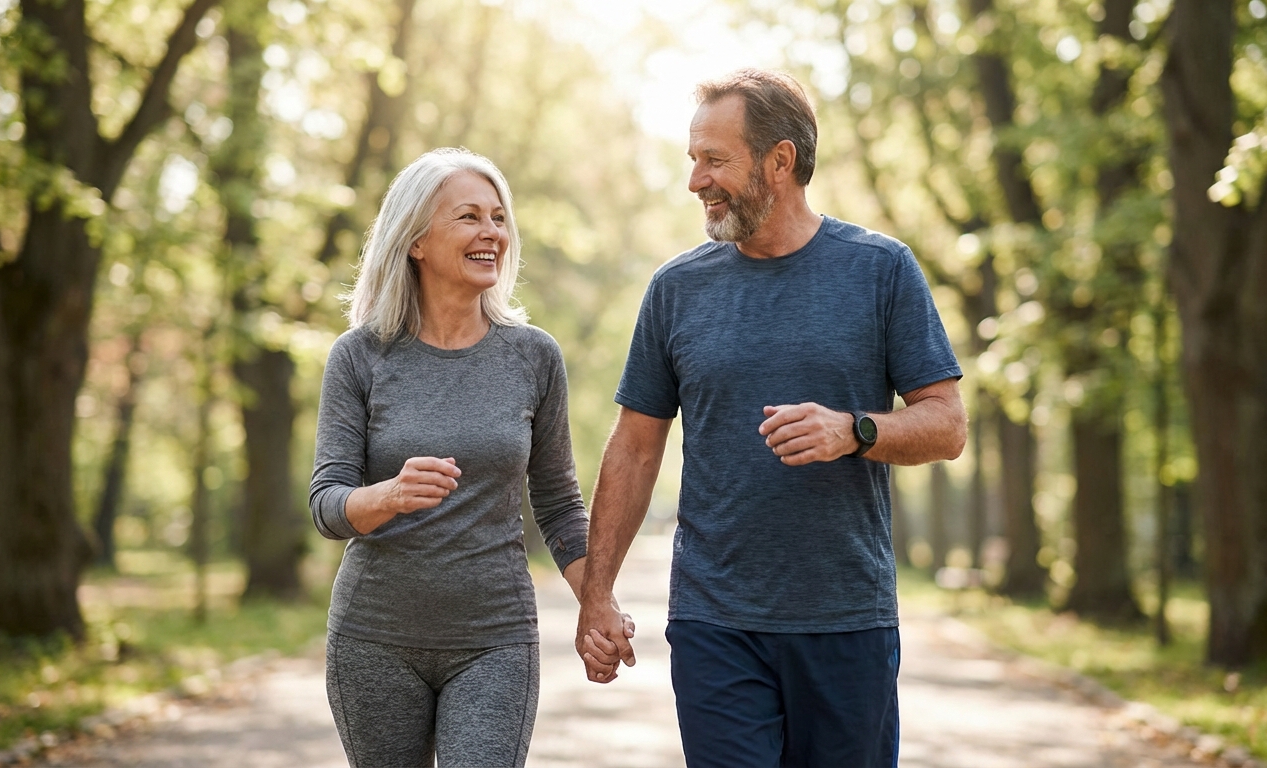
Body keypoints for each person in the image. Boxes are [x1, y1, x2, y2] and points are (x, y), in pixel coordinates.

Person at [574, 69, 967, 767]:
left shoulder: (880, 271)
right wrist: (596, 595)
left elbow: (946, 424)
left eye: (714, 160)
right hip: (714, 621)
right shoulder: (676, 290)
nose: (696, 180)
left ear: (779, 162)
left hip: (846, 620)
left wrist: (855, 431)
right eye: (693, 160)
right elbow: (635, 449)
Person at [310, 148, 620, 768]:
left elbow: (559, 506)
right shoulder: (360, 357)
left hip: (494, 640)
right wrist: (389, 495)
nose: (491, 234)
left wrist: (598, 604)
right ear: (416, 241)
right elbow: (327, 505)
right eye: (469, 218)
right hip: (375, 638)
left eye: (499, 218)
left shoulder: (532, 357)